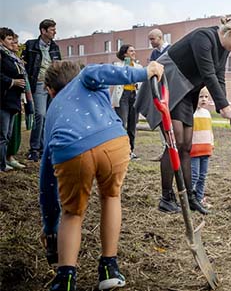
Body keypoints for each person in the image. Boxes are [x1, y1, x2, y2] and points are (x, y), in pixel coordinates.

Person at [39, 60, 164, 291]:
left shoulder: (52, 112)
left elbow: (46, 178)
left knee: (72, 213)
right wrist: (145, 72)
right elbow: (101, 71)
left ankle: (65, 278)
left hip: (70, 149)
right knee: (110, 197)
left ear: (50, 91)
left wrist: (50, 226)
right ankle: (109, 268)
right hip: (112, 142)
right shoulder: (86, 78)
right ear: (76, 75)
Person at [136, 15, 231, 214]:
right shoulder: (203, 38)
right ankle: (166, 197)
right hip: (169, 84)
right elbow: (208, 74)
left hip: (188, 91)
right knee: (175, 142)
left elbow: (219, 76)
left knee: (187, 146)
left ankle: (190, 198)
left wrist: (225, 106)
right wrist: (223, 108)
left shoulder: (223, 48)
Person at [22, 19, 62, 162]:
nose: (55, 32)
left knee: (49, 116)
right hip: (38, 84)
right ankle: (34, 149)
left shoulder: (55, 47)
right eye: (52, 29)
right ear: (43, 31)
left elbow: (58, 67)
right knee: (40, 115)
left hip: (51, 85)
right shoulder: (30, 45)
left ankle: (44, 148)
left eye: (54, 29)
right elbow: (24, 65)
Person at [111, 45, 143, 159]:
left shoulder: (138, 67)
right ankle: (121, 150)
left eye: (134, 50)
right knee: (122, 123)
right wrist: (127, 63)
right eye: (131, 51)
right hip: (123, 96)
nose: (134, 52)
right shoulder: (118, 66)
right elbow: (119, 77)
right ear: (125, 54)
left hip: (134, 95)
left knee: (132, 124)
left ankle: (130, 151)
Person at [0, 27, 26, 172]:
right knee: (2, 135)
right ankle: (1, 165)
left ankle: (3, 161)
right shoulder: (2, 56)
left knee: (7, 134)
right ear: (1, 40)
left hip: (12, 100)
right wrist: (12, 82)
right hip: (3, 99)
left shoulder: (11, 56)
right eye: (9, 39)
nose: (12, 42)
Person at [6, 33, 30, 169]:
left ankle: (10, 156)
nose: (17, 45)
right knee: (5, 131)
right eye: (13, 41)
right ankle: (5, 158)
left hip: (18, 97)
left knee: (13, 130)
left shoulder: (17, 59)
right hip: (8, 97)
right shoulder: (5, 58)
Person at [147, 28, 171, 161]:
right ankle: (166, 148)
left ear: (160, 37)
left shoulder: (171, 50)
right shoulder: (153, 54)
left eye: (152, 39)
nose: (151, 42)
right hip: (160, 90)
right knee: (162, 120)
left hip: (171, 89)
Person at [190, 87, 213, 214]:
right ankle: (189, 199)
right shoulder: (192, 113)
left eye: (206, 97)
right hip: (194, 150)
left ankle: (199, 200)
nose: (204, 99)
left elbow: (210, 132)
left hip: (205, 149)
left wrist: (211, 144)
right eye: (200, 97)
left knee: (202, 176)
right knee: (194, 175)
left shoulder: (207, 113)